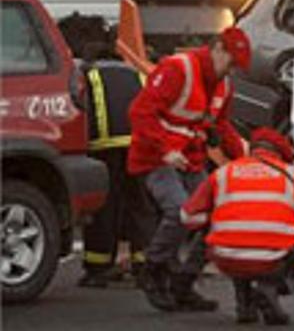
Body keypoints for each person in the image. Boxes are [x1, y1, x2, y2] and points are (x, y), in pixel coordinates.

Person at [127, 27, 251, 312]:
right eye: (230, 63)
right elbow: (140, 112)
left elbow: (221, 126)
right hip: (156, 159)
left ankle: (183, 282)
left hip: (190, 158)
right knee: (181, 210)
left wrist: (248, 157)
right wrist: (165, 149)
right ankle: (153, 270)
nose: (230, 71)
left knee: (214, 219)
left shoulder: (223, 85)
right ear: (217, 48)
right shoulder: (178, 69)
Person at [181, 127, 294, 325]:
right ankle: (271, 289)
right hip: (273, 257)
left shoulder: (223, 173)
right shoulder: (292, 175)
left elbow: (187, 217)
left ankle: (245, 307)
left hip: (226, 257)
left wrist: (215, 222)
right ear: (282, 154)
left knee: (237, 241)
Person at [79, 60, 156, 288]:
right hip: (138, 144)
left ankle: (98, 268)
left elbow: (83, 109)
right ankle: (144, 266)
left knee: (104, 207)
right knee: (141, 204)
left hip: (102, 146)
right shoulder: (137, 74)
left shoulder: (88, 74)